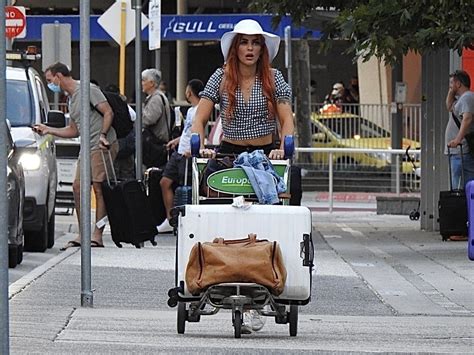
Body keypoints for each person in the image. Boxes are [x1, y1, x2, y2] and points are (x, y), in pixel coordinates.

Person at [191, 18, 294, 333]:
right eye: (244, 42)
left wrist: (283, 147)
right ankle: (210, 280)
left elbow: (287, 121)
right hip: (227, 155)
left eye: (256, 43)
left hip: (266, 157)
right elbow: (200, 117)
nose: (250, 48)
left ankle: (260, 297)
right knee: (214, 216)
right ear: (234, 47)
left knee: (267, 223)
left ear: (263, 48)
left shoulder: (274, 78)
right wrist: (201, 145)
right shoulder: (220, 78)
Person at [33, 62, 119, 249]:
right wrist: (48, 130)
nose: (51, 85)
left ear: (59, 76)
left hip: (100, 144)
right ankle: (83, 234)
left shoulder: (87, 89)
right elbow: (74, 130)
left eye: (50, 80)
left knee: (98, 188)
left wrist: (103, 135)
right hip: (86, 146)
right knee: (78, 187)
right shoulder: (71, 99)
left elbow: (108, 112)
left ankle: (98, 234)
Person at [157, 79, 204, 233]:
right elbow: (188, 131)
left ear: (189, 92)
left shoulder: (201, 110)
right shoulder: (191, 110)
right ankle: (170, 219)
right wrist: (177, 140)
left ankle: (183, 220)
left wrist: (195, 149)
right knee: (165, 182)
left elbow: (201, 133)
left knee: (186, 187)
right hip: (179, 152)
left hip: (189, 154)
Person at [445, 69, 474, 241]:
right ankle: (461, 226)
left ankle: (462, 228)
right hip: (456, 152)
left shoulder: (468, 97)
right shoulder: (460, 99)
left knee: (461, 190)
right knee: (459, 188)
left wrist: (457, 139)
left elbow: (467, 118)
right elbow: (449, 107)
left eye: (451, 83)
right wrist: (451, 91)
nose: (450, 86)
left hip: (461, 152)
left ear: (458, 83)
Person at [142, 69, 171, 168]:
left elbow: (150, 119)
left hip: (155, 142)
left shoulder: (155, 98)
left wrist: (139, 119)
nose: (142, 83)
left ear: (151, 83)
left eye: (144, 80)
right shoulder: (159, 97)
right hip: (157, 141)